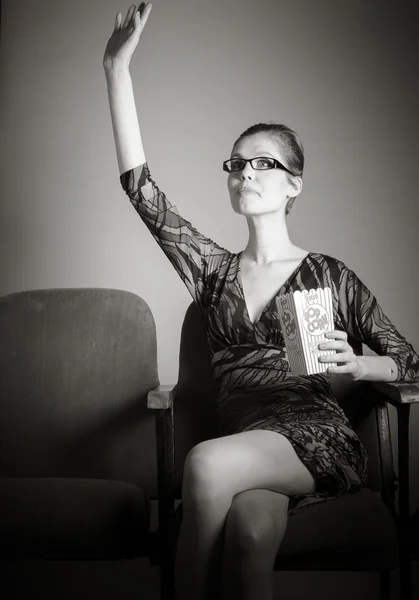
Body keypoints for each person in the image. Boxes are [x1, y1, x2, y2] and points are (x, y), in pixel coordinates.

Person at [103, 5, 419, 600]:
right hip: (246, 437)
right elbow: (141, 191)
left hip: (315, 434)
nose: (244, 172)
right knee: (248, 535)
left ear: (294, 183)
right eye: (236, 164)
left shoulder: (327, 275)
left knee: (205, 465)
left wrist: (362, 365)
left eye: (263, 163)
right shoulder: (213, 272)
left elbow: (411, 362)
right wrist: (116, 69)